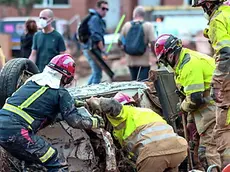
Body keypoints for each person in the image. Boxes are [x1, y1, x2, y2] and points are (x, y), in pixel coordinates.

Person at [0, 54, 105, 171]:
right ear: (66, 77)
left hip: (3, 123)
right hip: (17, 131)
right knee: (56, 161)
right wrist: (95, 122)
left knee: (30, 164)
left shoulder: (32, 82)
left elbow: (38, 101)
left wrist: (72, 102)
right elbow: (75, 121)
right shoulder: (60, 93)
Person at [154, 34, 221, 170]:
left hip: (215, 112)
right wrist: (191, 121)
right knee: (202, 151)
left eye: (164, 60)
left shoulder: (189, 65)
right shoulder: (183, 64)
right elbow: (189, 96)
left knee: (208, 152)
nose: (165, 64)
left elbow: (195, 99)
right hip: (209, 113)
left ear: (170, 55)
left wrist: (182, 108)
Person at [86, 92, 188, 172]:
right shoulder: (147, 112)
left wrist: (94, 101)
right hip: (179, 149)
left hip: (154, 153)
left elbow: (112, 105)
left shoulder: (126, 112)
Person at [192, 0, 230, 168]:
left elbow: (225, 55)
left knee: (223, 130)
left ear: (209, 4)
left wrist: (217, 83)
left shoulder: (218, 20)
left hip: (227, 79)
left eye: (203, 6)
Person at [118, 6, 155, 81]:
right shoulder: (148, 26)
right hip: (144, 61)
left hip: (130, 61)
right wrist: (155, 55)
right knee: (142, 83)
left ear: (134, 15)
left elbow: (119, 41)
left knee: (133, 82)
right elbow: (153, 42)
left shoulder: (127, 25)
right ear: (143, 15)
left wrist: (125, 51)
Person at [82, 0, 108, 85]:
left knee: (96, 71)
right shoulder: (95, 19)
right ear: (97, 8)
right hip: (92, 49)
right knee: (98, 72)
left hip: (89, 48)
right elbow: (96, 36)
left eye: (107, 9)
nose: (105, 11)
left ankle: (86, 90)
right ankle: (92, 93)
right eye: (103, 8)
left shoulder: (95, 18)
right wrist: (103, 50)